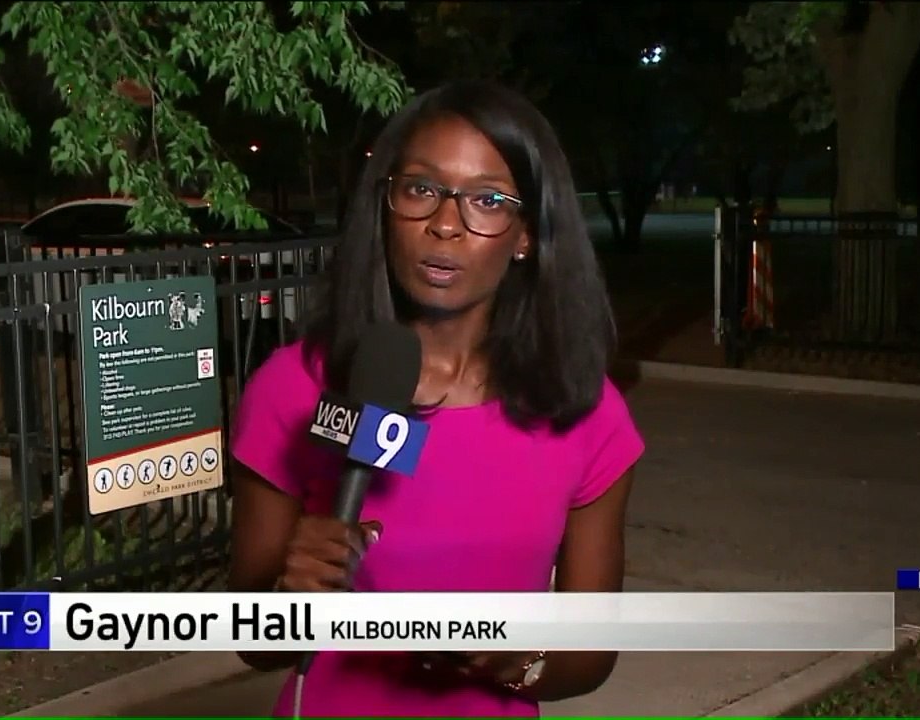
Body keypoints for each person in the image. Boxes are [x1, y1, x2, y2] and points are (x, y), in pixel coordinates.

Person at [228, 79, 645, 718]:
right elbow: (254, 645)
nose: (446, 225)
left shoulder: (587, 415)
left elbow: (589, 658)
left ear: (526, 234)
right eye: (421, 189)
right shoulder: (294, 388)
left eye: (487, 200)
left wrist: (515, 660)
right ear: (385, 204)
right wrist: (290, 598)